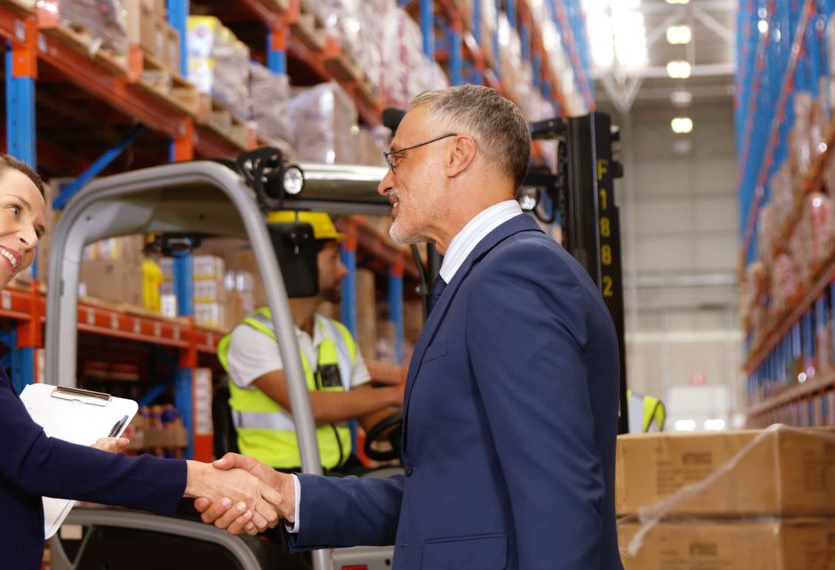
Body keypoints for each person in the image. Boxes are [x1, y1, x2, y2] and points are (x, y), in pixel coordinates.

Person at [197, 85, 624, 568]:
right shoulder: (482, 279)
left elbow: (558, 492)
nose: (385, 182)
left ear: (457, 155)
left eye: (398, 158)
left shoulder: (513, 276)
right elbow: (445, 497)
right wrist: (292, 496)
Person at [0, 154, 289, 569]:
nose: (28, 239)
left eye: (38, 230)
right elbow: (29, 460)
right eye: (14, 210)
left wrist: (80, 462)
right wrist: (199, 479)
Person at [218, 210, 403, 474]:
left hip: (337, 473)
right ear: (299, 263)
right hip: (277, 480)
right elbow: (310, 408)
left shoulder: (337, 335)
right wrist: (400, 391)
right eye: (333, 258)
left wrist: (418, 422)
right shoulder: (252, 337)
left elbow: (372, 416)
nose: (343, 270)